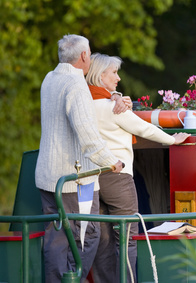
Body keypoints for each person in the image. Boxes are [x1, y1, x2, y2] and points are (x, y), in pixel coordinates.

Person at [85, 52, 190, 282]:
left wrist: (116, 96)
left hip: (91, 178)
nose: (118, 78)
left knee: (102, 240)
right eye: (114, 72)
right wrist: (173, 139)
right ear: (100, 74)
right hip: (118, 177)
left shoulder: (85, 105)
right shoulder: (113, 108)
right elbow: (143, 128)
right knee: (127, 237)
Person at [35, 34, 127, 282]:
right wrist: (111, 161)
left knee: (56, 239)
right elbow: (87, 135)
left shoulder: (50, 78)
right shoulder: (76, 86)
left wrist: (115, 96)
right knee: (88, 234)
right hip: (74, 179)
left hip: (47, 176)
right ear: (84, 56)